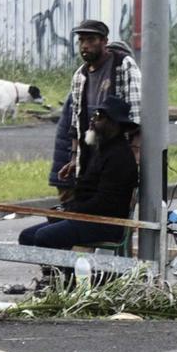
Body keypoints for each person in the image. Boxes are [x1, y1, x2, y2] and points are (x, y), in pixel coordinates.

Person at [21, 19, 141, 251]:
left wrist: (134, 155)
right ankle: (57, 279)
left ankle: (67, 279)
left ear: (104, 42)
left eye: (91, 40)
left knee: (51, 234)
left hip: (114, 166)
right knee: (37, 233)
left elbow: (137, 114)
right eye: (81, 41)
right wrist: (75, 158)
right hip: (92, 154)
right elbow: (76, 122)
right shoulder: (80, 75)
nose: (85, 45)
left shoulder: (122, 65)